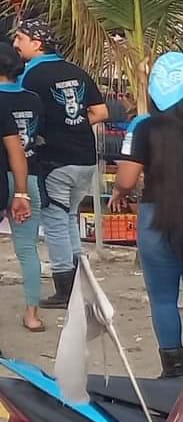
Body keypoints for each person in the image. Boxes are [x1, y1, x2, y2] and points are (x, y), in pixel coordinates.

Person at [111, 53, 183, 378]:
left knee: (163, 299)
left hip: (156, 218)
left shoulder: (142, 126)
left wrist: (119, 192)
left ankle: (173, 373)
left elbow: (127, 179)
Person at [13, 18, 107, 310]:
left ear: (37, 43)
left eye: (20, 38)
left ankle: (65, 287)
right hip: (85, 158)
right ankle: (79, 281)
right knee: (69, 218)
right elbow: (101, 112)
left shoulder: (30, 76)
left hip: (55, 159)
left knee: (55, 221)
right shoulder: (76, 71)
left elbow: (21, 116)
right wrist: (73, 124)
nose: (15, 44)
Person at [0, 43, 40, 332]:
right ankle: (32, 314)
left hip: (4, 177)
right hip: (28, 176)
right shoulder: (34, 98)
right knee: (28, 249)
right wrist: (23, 190)